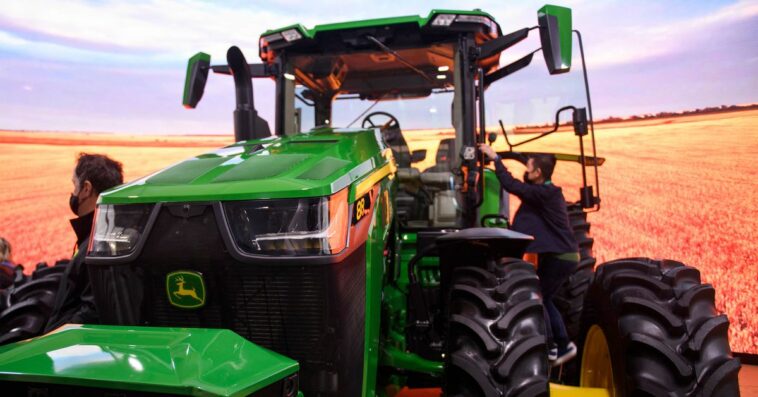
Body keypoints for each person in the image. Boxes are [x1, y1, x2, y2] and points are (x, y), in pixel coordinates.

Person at [478, 144, 579, 366]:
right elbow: (525, 183)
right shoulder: (543, 192)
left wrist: (495, 159)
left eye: (529, 167)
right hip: (560, 256)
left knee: (539, 297)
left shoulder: (545, 193)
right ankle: (562, 345)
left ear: (538, 173)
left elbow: (512, 185)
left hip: (561, 257)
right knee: (546, 298)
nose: (527, 170)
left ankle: (552, 346)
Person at [44, 153, 124, 332]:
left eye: (75, 185)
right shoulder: (107, 232)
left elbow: (91, 313)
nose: (73, 193)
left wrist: (49, 340)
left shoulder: (98, 244)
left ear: (86, 189)